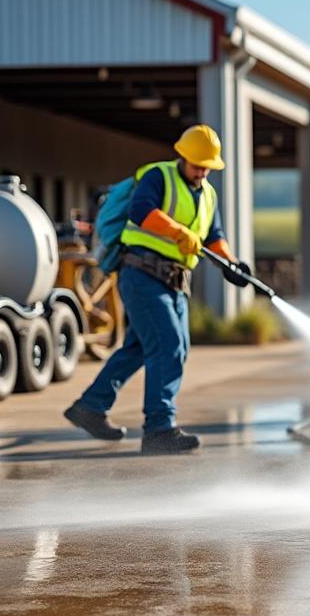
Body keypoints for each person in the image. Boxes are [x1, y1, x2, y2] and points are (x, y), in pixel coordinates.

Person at [63, 124, 252, 453]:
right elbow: (141, 212)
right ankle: (159, 429)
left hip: (175, 282)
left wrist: (231, 264)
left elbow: (213, 237)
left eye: (208, 167)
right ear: (182, 156)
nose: (202, 172)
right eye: (197, 165)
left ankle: (91, 407)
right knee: (168, 347)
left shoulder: (208, 195)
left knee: (141, 347)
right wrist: (179, 232)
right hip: (142, 274)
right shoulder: (158, 177)